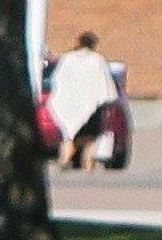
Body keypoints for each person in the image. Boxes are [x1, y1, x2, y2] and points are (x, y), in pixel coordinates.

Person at [47, 31, 129, 171]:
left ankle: (64, 160)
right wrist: (110, 100)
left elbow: (56, 81)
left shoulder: (67, 59)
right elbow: (105, 85)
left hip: (67, 107)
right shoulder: (98, 60)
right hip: (92, 109)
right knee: (90, 140)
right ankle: (87, 167)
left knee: (68, 137)